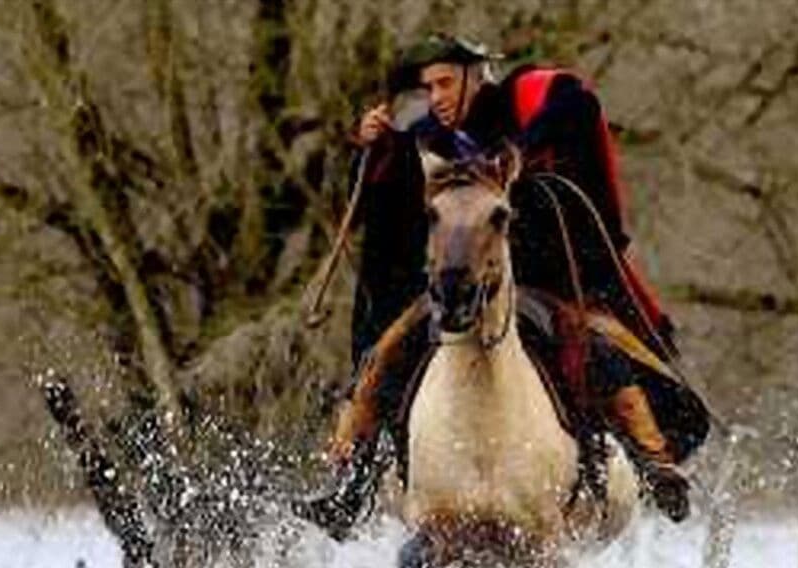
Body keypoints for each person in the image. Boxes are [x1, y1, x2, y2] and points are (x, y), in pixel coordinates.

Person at [295, 34, 709, 536]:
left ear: (475, 75)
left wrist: (517, 151)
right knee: (386, 355)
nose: (438, 96)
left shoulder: (527, 96)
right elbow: (388, 212)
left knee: (599, 348)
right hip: (463, 284)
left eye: (446, 82)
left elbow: (577, 105)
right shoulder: (430, 144)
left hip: (552, 277)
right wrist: (375, 150)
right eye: (428, 88)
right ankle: (352, 481)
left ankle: (654, 461)